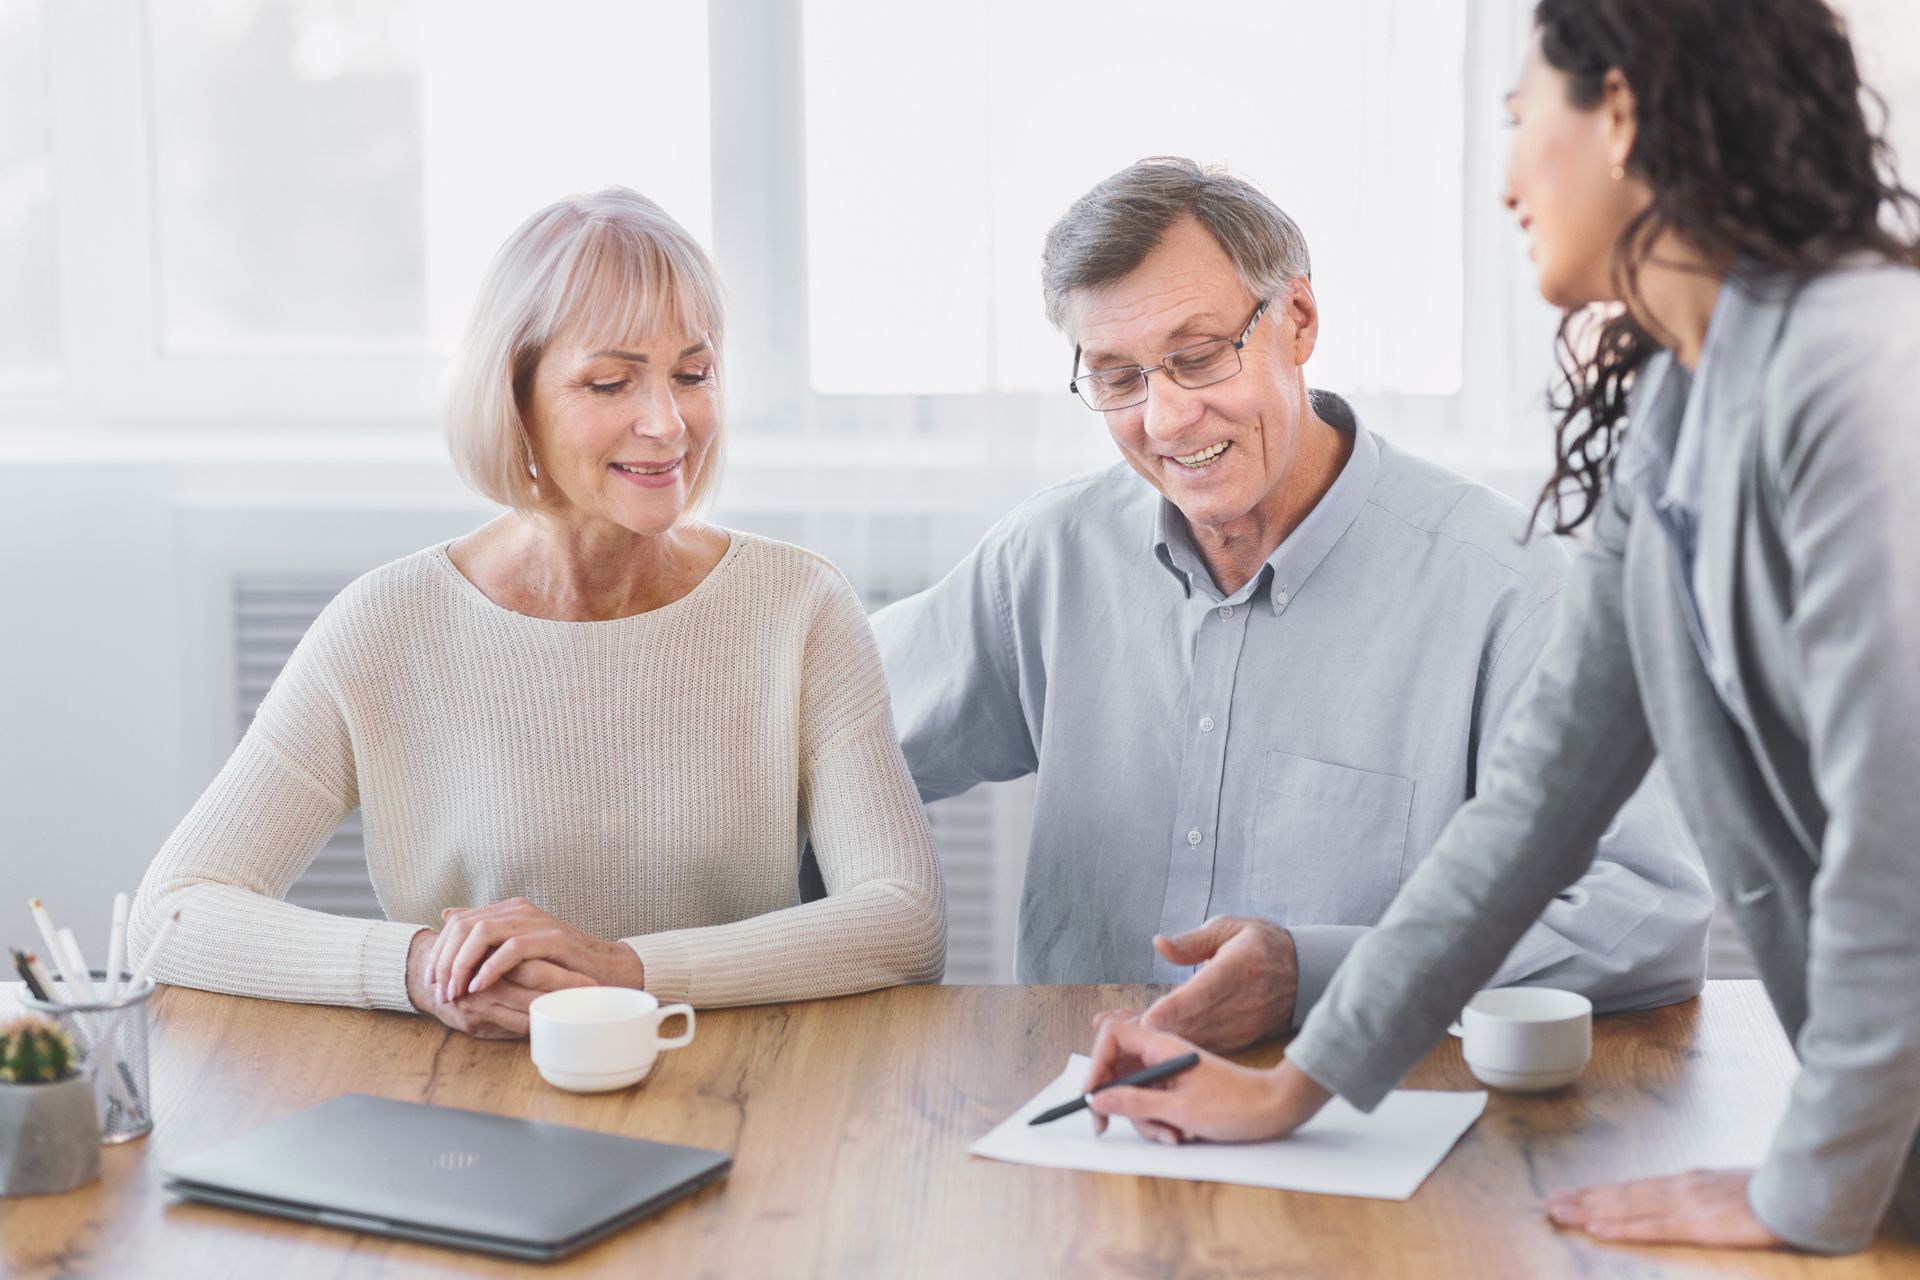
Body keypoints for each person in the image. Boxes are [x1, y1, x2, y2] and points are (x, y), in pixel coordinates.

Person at [1082, 0, 1920, 1256]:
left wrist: (1804, 1187)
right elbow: (1532, 808)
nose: (1508, 178)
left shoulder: (1860, 366)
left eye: (1525, 119)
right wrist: (1300, 1079)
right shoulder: (1687, 410)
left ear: (1623, 114)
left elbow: (1898, 838)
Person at [872, 156, 1711, 1053]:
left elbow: (1648, 914)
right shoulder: (1048, 559)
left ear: (1299, 320)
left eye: (1197, 358)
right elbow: (814, 730)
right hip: (1078, 1108)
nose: (1165, 419)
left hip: (1363, 1121)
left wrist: (1323, 977)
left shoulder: (1509, 589)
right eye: (1119, 379)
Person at [127, 188, 945, 1037]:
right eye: (609, 381)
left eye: (692, 375)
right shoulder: (387, 625)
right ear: (513, 396)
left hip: (730, 1078)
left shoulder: (799, 607)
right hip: (469, 1099)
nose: (667, 423)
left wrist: (623, 971)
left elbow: (905, 918)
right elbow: (174, 912)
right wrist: (419, 970)